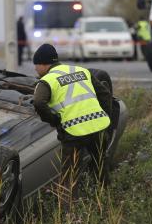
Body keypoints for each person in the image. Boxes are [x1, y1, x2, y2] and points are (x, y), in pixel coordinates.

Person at [32, 43, 112, 204]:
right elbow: (105, 93)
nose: (35, 70)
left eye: (36, 66)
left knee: (69, 175)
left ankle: (68, 214)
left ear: (42, 64)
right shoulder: (81, 71)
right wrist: (104, 116)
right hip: (98, 127)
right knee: (101, 166)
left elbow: (38, 103)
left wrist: (54, 120)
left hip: (74, 132)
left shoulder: (47, 81)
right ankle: (107, 201)